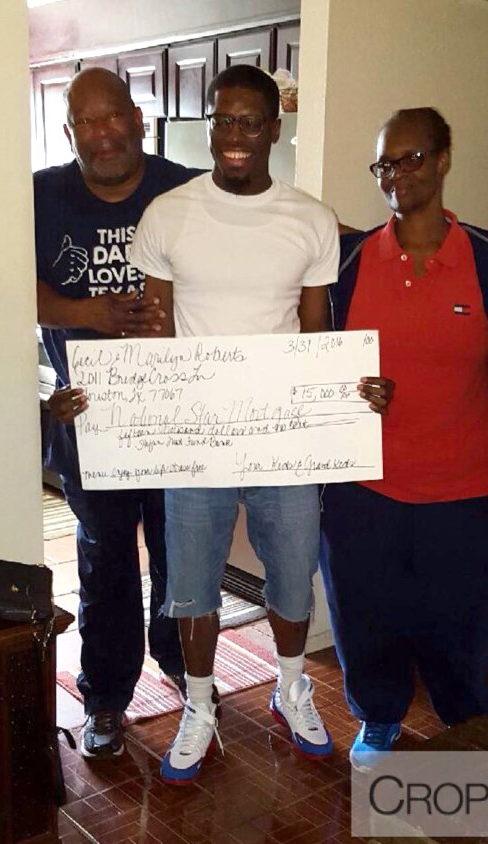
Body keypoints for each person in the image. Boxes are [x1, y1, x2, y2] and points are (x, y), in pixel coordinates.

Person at [130, 65, 374, 785]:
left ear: (275, 127)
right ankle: (199, 706)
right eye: (223, 121)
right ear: (214, 125)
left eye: (249, 122)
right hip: (196, 438)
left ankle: (289, 686)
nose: (235, 136)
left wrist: (338, 402)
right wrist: (130, 408)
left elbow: (314, 332)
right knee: (192, 582)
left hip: (281, 437)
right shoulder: (169, 215)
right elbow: (154, 333)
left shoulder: (310, 221)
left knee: (293, 577)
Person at [320, 107, 488, 770]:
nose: (397, 175)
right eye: (385, 163)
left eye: (411, 159)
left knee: (460, 624)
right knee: (367, 614)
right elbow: (317, 361)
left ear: (442, 160)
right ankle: (379, 717)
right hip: (365, 488)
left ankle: (466, 728)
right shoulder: (351, 263)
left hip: (468, 491)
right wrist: (351, 386)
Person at [35, 67, 204, 759]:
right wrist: (89, 313)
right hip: (89, 420)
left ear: (138, 119)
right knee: (104, 561)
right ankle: (105, 695)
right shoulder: (41, 195)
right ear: (70, 132)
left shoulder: (188, 189)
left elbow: (267, 234)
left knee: (178, 554)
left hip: (178, 411)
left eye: (113, 119)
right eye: (86, 125)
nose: (102, 135)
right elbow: (0, 281)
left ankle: (181, 667)